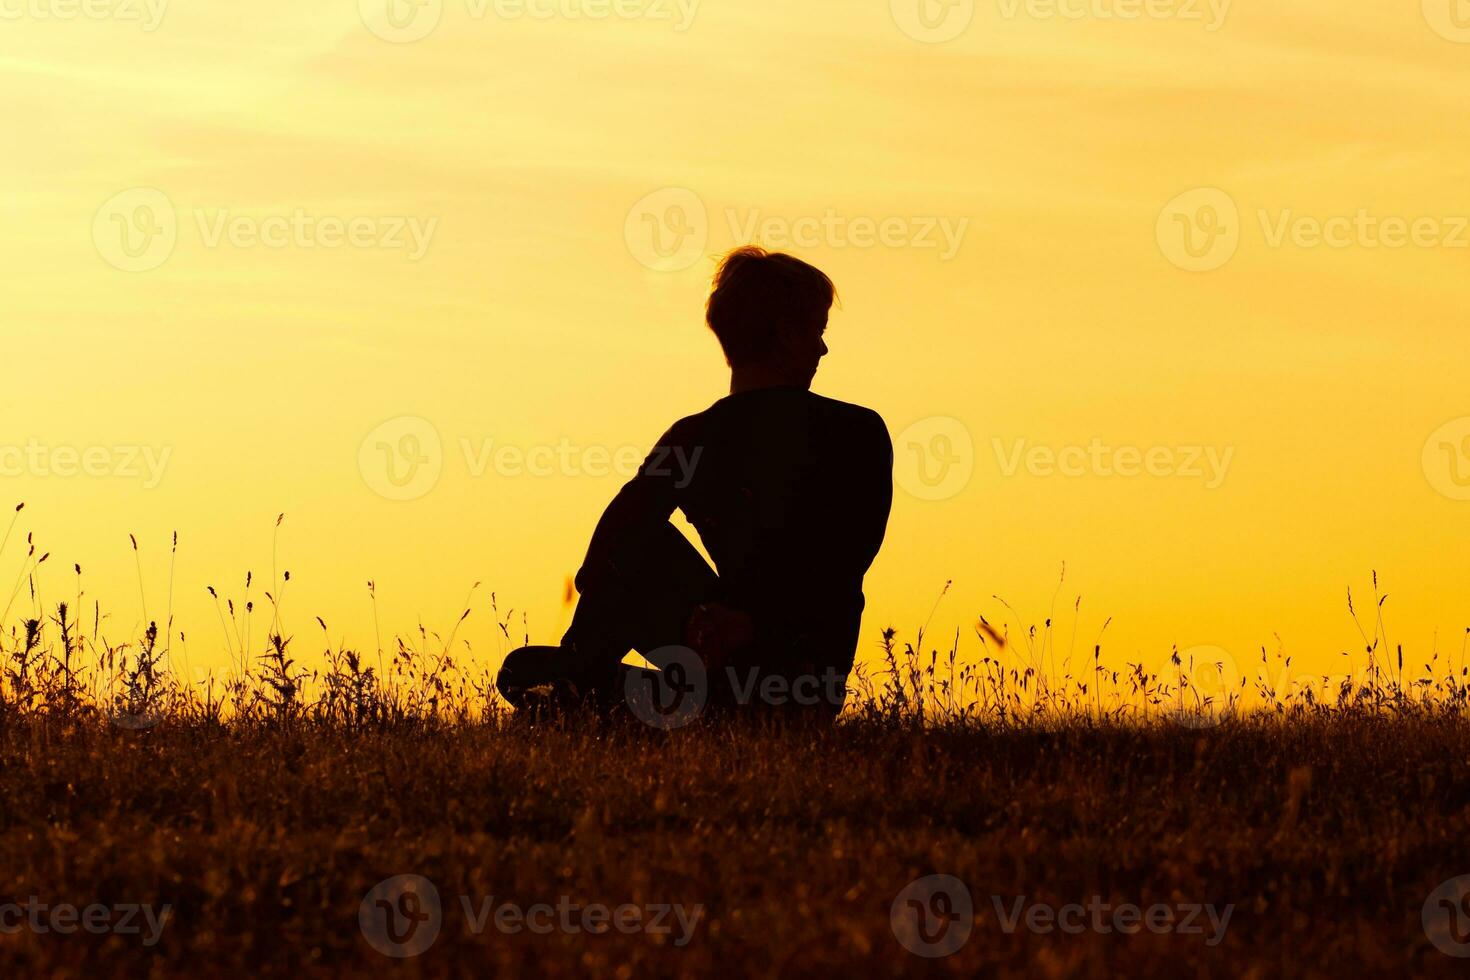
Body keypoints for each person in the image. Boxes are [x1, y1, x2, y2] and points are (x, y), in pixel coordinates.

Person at [497, 247, 892, 721]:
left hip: (791, 679)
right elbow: (615, 540)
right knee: (526, 668)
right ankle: (625, 699)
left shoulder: (697, 439)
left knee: (534, 674)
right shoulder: (857, 431)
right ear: (787, 335)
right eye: (817, 332)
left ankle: (586, 694)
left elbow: (839, 565)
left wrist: (748, 624)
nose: (822, 349)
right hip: (769, 681)